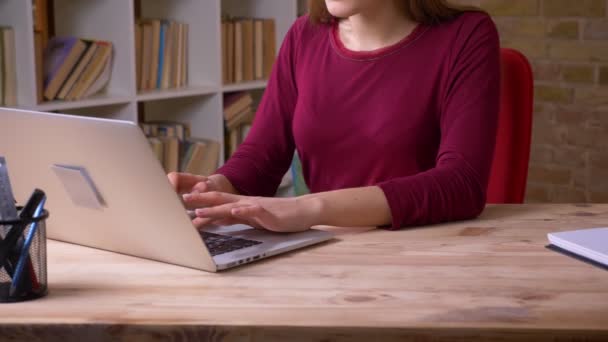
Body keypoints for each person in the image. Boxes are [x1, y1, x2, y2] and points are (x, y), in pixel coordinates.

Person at [169, 0, 500, 232]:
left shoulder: (467, 35)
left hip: (422, 250)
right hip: (322, 251)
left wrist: (307, 208)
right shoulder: (304, 35)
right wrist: (213, 188)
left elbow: (462, 183)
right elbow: (262, 157)